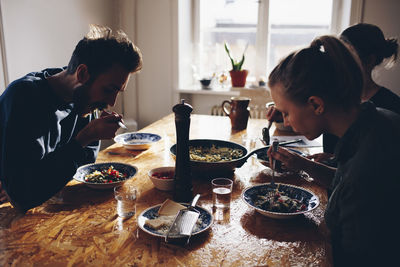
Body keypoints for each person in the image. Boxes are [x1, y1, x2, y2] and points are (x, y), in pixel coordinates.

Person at [266, 35, 400, 266]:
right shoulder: (382, 120)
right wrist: (303, 165)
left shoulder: (362, 174)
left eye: (286, 112)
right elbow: (344, 182)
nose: (285, 122)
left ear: (316, 105)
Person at [0, 24, 142, 212]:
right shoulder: (24, 98)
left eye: (117, 91)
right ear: (82, 73)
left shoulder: (83, 98)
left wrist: (81, 144)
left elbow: (84, 168)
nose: (111, 102)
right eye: (108, 90)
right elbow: (23, 195)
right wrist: (84, 138)